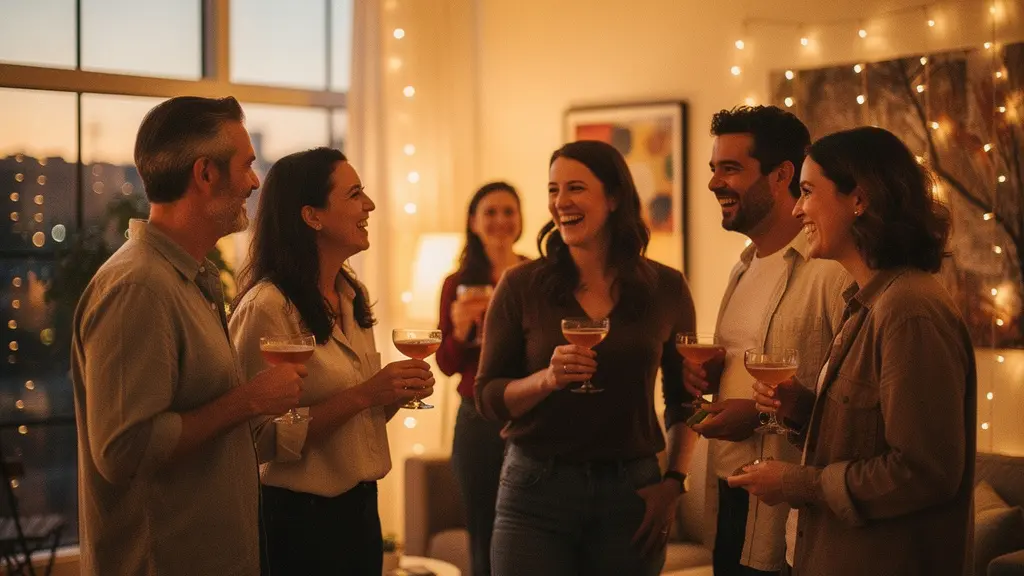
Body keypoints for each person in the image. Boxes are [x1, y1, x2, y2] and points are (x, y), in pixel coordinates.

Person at [72, 96, 305, 575]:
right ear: (205, 174)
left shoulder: (191, 279)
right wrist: (250, 400)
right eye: (247, 166)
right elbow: (124, 450)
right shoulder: (138, 287)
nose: (255, 182)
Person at [731, 126, 976, 576]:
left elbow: (924, 473)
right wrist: (804, 409)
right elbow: (870, 436)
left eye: (806, 192)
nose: (798, 208)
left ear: (858, 200)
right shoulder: (863, 303)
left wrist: (795, 482)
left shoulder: (908, 310)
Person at [475, 140, 699, 576]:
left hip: (632, 493)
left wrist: (673, 483)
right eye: (553, 190)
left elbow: (686, 399)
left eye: (575, 188)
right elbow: (488, 397)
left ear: (614, 198)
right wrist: (547, 379)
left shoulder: (666, 288)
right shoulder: (521, 285)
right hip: (535, 491)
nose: (561, 203)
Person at [228, 147, 435, 575]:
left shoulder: (350, 295)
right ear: (312, 216)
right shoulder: (268, 307)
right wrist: (365, 395)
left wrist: (393, 394)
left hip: (360, 511)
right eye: (355, 194)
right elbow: (256, 440)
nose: (370, 205)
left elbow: (360, 420)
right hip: (299, 521)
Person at [685, 105, 848, 575]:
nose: (715, 183)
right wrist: (711, 373)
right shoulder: (743, 265)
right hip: (730, 502)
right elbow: (742, 368)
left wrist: (754, 416)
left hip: (789, 518)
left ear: (782, 176)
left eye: (731, 169)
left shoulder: (832, 273)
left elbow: (853, 405)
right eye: (714, 169)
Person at [437, 181, 527, 576]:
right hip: (477, 418)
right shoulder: (456, 285)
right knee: (484, 533)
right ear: (473, 222)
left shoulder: (535, 276)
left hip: (528, 414)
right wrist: (458, 333)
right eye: (490, 212)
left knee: (531, 531)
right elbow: (446, 363)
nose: (500, 220)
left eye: (509, 211)